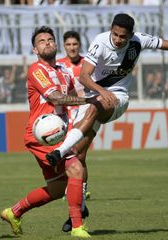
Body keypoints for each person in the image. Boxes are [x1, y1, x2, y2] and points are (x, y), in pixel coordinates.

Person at [46, 13, 168, 194]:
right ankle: (81, 204)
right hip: (96, 94)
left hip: (118, 98)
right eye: (115, 34)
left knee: (93, 108)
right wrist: (102, 91)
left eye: (122, 36)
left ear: (131, 34)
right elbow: (84, 76)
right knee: (78, 153)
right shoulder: (100, 42)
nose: (117, 39)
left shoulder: (139, 40)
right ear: (111, 29)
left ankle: (59, 151)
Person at [0, 26, 96, 238]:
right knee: (76, 168)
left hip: (58, 134)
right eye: (41, 41)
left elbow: (71, 102)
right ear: (35, 49)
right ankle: (78, 227)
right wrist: (90, 99)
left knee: (57, 189)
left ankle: (13, 212)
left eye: (50, 39)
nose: (47, 43)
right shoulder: (36, 70)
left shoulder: (64, 72)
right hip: (42, 136)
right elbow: (56, 98)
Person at [56, 30, 90, 233]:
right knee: (74, 159)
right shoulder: (59, 65)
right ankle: (80, 205)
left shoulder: (88, 64)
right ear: (64, 46)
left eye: (74, 44)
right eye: (68, 44)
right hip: (66, 116)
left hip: (86, 114)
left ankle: (79, 207)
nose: (72, 47)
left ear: (79, 45)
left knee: (79, 155)